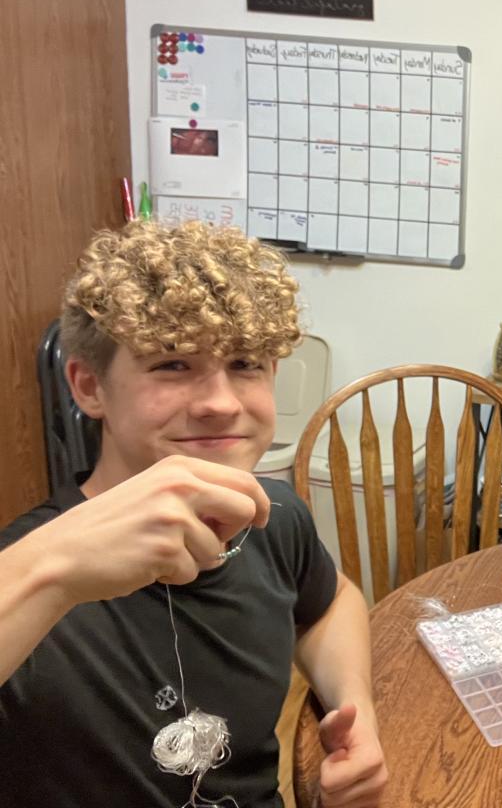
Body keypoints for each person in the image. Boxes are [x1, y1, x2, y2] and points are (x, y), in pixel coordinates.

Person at [0, 221, 388, 807]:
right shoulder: (30, 578)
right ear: (89, 386)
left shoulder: (275, 517)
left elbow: (331, 603)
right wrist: (51, 570)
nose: (221, 403)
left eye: (246, 363)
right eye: (173, 364)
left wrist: (355, 709)